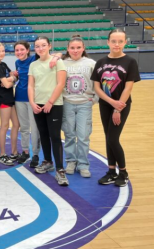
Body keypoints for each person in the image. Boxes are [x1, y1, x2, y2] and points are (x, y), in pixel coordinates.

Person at [91, 29, 140, 187]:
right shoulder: (101, 62)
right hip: (105, 105)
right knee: (108, 138)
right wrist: (111, 103)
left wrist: (117, 108)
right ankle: (111, 171)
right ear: (108, 42)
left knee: (113, 138)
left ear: (125, 42)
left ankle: (123, 172)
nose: (117, 44)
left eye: (120, 41)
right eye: (113, 41)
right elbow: (97, 88)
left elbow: (128, 88)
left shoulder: (130, 61)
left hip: (122, 105)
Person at [12, 41, 60, 167]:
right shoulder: (17, 63)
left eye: (22, 49)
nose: (19, 52)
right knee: (24, 127)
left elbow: (58, 54)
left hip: (33, 99)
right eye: (17, 50)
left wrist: (56, 56)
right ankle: (25, 152)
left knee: (35, 128)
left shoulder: (35, 59)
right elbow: (20, 77)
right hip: (19, 98)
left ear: (28, 50)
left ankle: (35, 154)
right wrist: (13, 75)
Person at [28, 36, 68, 186]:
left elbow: (61, 83)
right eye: (37, 46)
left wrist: (50, 101)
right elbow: (31, 86)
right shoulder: (34, 65)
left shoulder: (58, 62)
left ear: (49, 46)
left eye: (43, 45)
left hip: (54, 104)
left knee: (55, 136)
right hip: (38, 104)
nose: (40, 48)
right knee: (43, 134)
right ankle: (47, 161)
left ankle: (60, 170)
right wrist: (32, 102)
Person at [61, 35, 97, 178]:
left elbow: (98, 84)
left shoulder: (91, 63)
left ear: (83, 48)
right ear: (68, 49)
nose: (75, 51)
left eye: (78, 48)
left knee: (83, 136)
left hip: (84, 104)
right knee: (69, 135)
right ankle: (71, 161)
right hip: (67, 103)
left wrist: (94, 100)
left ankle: (83, 164)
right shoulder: (62, 63)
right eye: (72, 48)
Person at [0, 42, 20, 166]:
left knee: (16, 124)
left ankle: (14, 152)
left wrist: (11, 79)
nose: (2, 53)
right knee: (4, 126)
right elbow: (7, 84)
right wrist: (11, 80)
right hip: (2, 98)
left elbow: (14, 77)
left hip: (10, 97)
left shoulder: (3, 64)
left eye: (3, 51)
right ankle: (2, 155)